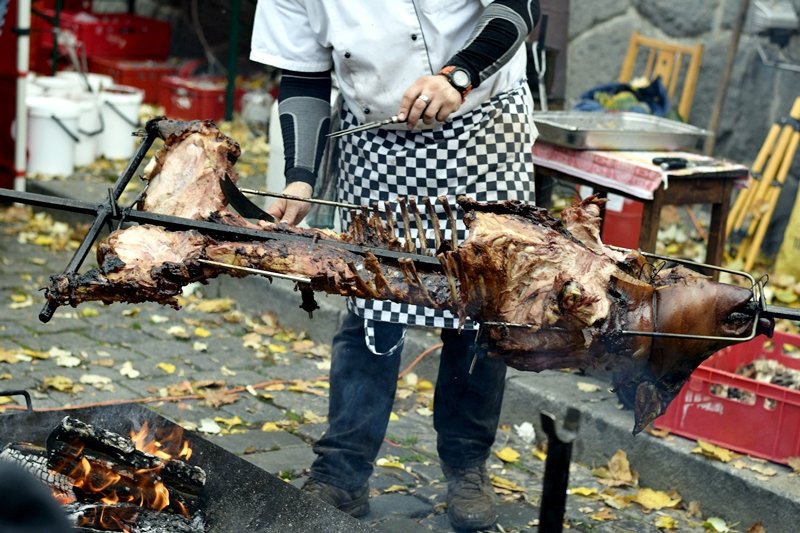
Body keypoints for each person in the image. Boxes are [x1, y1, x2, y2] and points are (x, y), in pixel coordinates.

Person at [250, 1, 540, 530]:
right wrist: (299, 176)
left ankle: (467, 469)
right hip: (376, 144)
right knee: (371, 309)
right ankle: (341, 473)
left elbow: (518, 9)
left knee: (479, 312)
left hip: (482, 129)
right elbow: (303, 76)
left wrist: (459, 75)